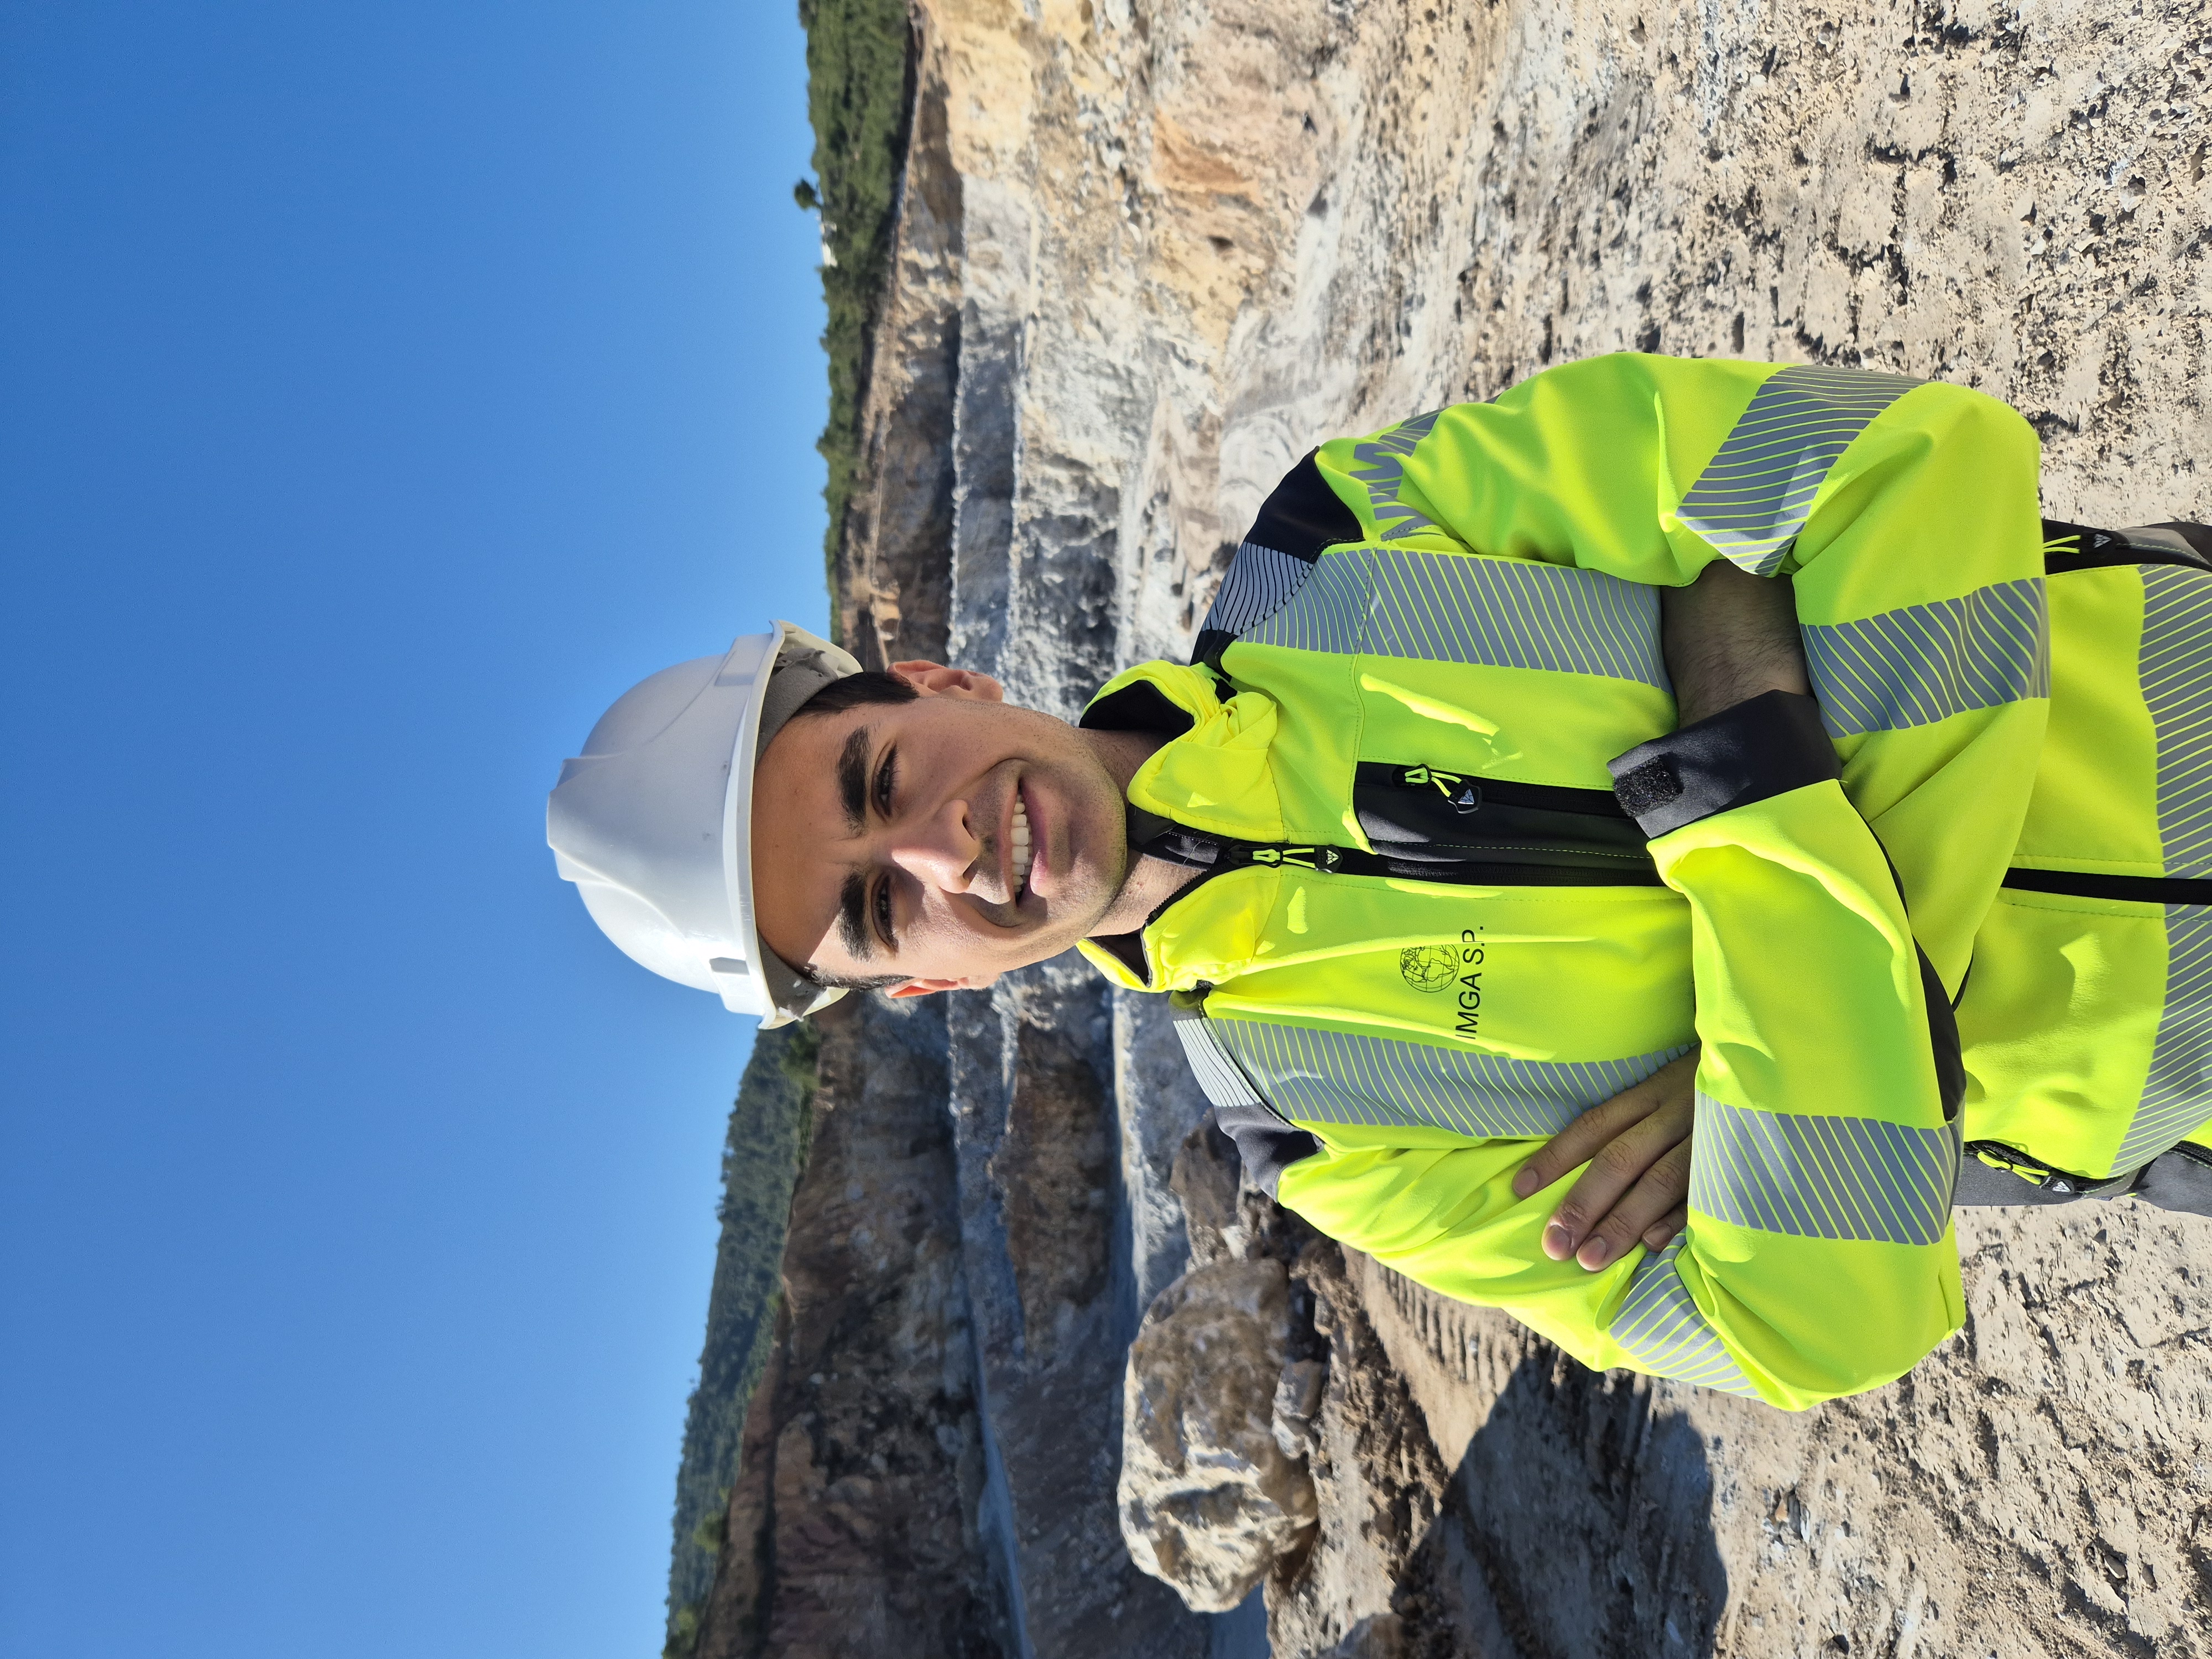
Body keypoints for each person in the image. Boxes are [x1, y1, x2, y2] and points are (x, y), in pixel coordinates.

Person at [549, 353, 2212, 1410]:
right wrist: (1749, 752)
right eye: (872, 908)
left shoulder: (1344, 533)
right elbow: (1816, 1324)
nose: (939, 851)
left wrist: (1803, 1072)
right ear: (927, 985)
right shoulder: (1325, 1135)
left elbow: (1909, 459)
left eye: (876, 780)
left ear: (946, 689)